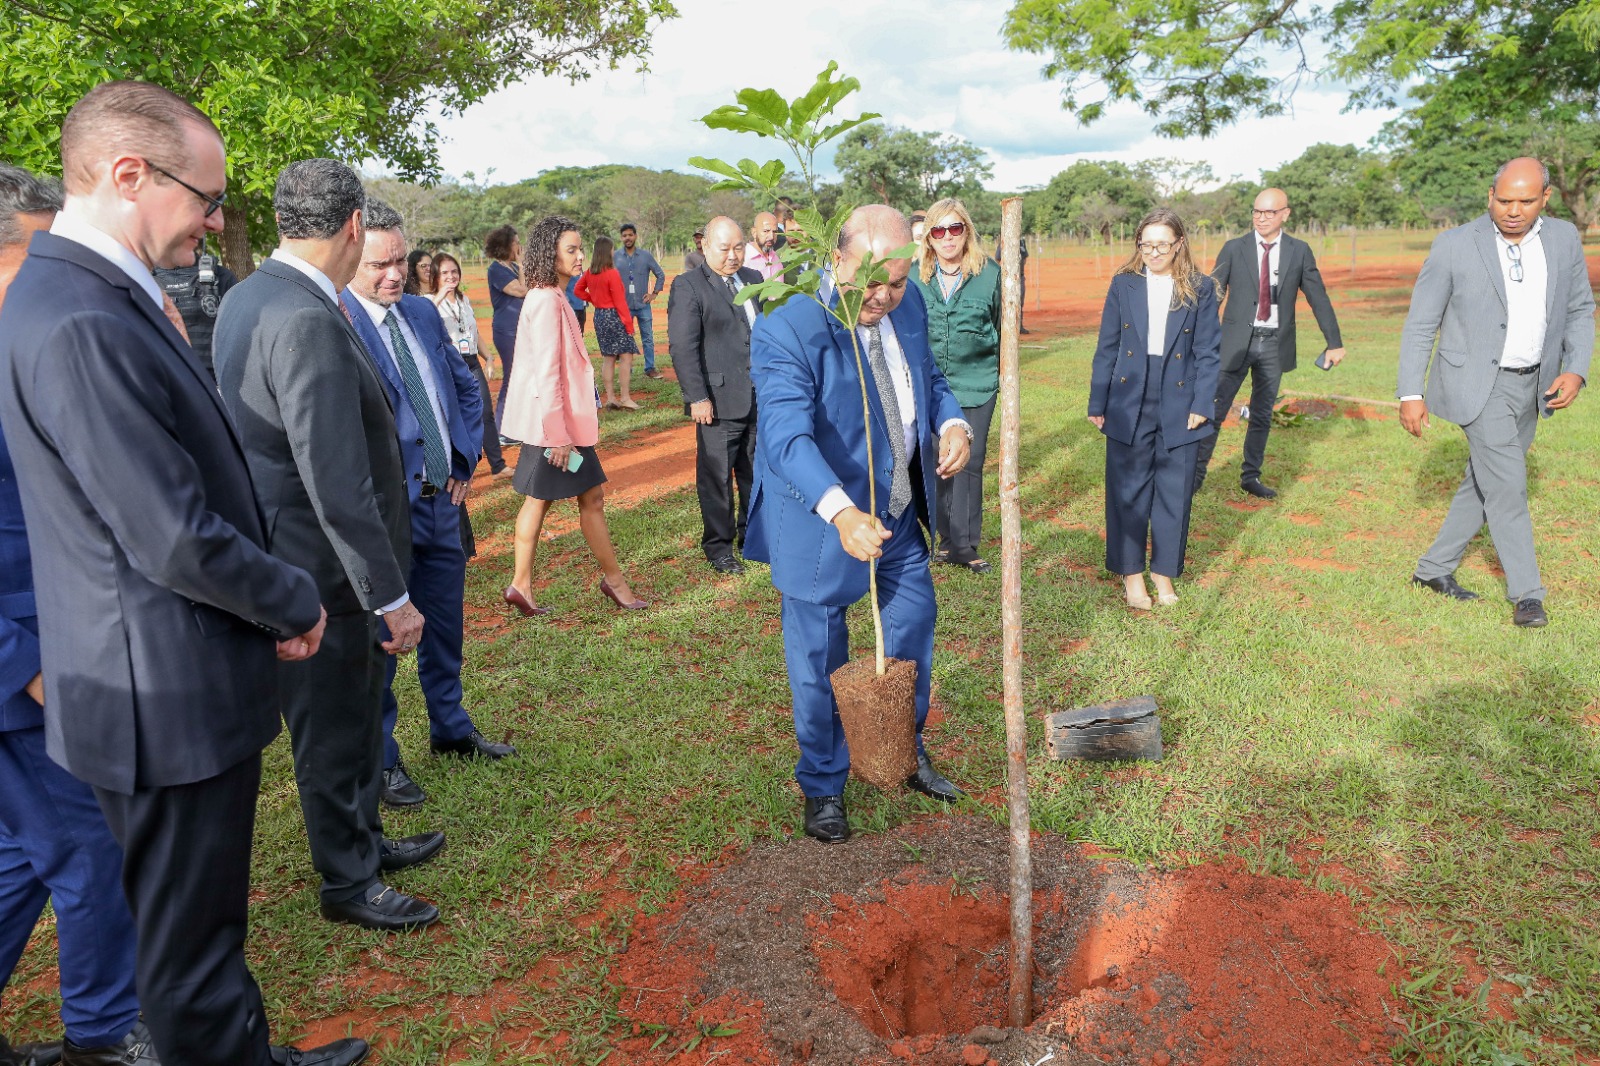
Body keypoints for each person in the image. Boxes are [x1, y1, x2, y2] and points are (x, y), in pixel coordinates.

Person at [0, 82, 361, 1066]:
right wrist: (290, 597)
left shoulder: (89, 292)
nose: (213, 216)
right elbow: (168, 533)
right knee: (189, 951)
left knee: (204, 925)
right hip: (158, 686)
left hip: (161, 674)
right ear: (128, 174)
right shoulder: (78, 315)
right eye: (203, 195)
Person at [214, 159, 442, 933]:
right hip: (324, 572)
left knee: (347, 720)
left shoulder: (251, 295)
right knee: (335, 730)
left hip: (296, 554)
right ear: (352, 228)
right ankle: (348, 881)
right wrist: (390, 594)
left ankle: (366, 842)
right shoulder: (307, 315)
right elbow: (336, 479)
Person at [744, 205, 972, 844]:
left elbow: (928, 379)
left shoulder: (910, 305)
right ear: (836, 257)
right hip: (824, 526)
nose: (884, 296)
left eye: (898, 281)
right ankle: (823, 782)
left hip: (897, 514)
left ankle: (904, 746)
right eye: (871, 280)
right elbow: (786, 440)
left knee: (912, 633)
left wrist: (952, 421)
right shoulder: (786, 327)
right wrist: (841, 511)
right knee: (820, 658)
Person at [0, 164, 145, 1066]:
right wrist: (25, 663)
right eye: (37, 249)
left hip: (40, 655)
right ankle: (106, 1034)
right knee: (90, 849)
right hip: (24, 671)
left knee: (25, 854)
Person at [339, 201, 517, 811]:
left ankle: (451, 726)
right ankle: (384, 759)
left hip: (444, 503)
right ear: (348, 257)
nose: (393, 275)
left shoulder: (418, 311)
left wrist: (465, 461)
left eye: (400, 261)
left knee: (445, 623)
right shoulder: (336, 321)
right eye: (378, 264)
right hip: (386, 514)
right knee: (387, 636)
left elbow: (463, 386)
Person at [1398, 157, 1595, 628]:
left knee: (1481, 482)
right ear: (1490, 195)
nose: (1512, 210)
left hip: (1535, 384)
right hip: (1477, 384)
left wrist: (1577, 369)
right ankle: (1527, 594)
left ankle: (1432, 570)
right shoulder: (1453, 245)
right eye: (1503, 200)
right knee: (1507, 485)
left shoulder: (1564, 238)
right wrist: (1410, 392)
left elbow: (1579, 308)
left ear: (1545, 198)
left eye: (1525, 201)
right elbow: (1421, 323)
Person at [500, 217, 649, 616]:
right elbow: (548, 372)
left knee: (553, 500)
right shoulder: (547, 300)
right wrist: (559, 437)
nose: (581, 255)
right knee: (577, 500)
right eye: (571, 249)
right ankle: (612, 583)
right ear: (550, 254)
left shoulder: (551, 295)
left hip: (556, 424)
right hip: (556, 427)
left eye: (580, 247)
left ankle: (522, 585)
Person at [1088, 208, 1220, 610]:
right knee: (1127, 489)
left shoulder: (1201, 287)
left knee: (1174, 491)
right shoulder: (1124, 284)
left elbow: (1209, 351)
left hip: (1180, 395)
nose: (1153, 252)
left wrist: (1202, 402)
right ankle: (1131, 575)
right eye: (1146, 244)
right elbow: (1107, 345)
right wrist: (1098, 400)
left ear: (1179, 242)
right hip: (1129, 395)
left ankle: (1163, 572)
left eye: (1161, 244)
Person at [1193, 187, 1345, 499]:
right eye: (1257, 212)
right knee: (1214, 409)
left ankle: (1251, 477)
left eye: (1269, 212)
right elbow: (1215, 294)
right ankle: (1194, 476)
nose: (1261, 218)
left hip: (1274, 344)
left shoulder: (1299, 251)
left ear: (1285, 214)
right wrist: (1198, 336)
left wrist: (1334, 342)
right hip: (1234, 343)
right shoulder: (1234, 248)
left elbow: (1318, 296)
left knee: (1261, 414)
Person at [667, 216, 763, 575]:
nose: (733, 255)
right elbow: (682, 347)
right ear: (704, 247)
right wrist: (697, 397)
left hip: (756, 396)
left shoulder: (753, 279)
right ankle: (719, 547)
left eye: (739, 247)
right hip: (717, 401)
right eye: (724, 248)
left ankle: (752, 538)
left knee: (754, 472)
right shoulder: (689, 286)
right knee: (717, 477)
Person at [912, 198, 1003, 575]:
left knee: (968, 463)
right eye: (938, 230)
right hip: (928, 386)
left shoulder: (992, 275)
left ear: (966, 231)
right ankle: (942, 538)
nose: (947, 237)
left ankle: (964, 544)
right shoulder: (915, 276)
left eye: (955, 229)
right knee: (933, 462)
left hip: (976, 382)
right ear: (928, 238)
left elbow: (1004, 327)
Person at [430, 252, 505, 478]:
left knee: (484, 412)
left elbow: (473, 333)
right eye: (444, 273)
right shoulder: (428, 301)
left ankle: (498, 466)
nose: (451, 276)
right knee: (453, 416)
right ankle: (459, 469)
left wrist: (488, 357)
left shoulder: (464, 300)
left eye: (454, 271)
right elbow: (425, 320)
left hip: (471, 362)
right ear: (435, 276)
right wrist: (441, 295)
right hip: (448, 365)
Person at [151, 241, 237, 378]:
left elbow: (239, 335)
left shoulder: (221, 277)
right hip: (159, 378)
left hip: (212, 380)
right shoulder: (138, 277)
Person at [574, 235, 639, 410]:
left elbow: (577, 290)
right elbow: (620, 303)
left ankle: (610, 398)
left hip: (600, 316)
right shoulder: (612, 273)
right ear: (607, 252)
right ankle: (625, 397)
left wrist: (593, 299)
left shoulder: (589, 273)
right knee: (626, 356)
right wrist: (629, 325)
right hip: (614, 316)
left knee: (608, 358)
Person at [484, 225, 527, 437]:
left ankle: (516, 424)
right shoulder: (497, 269)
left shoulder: (511, 267)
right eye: (516, 242)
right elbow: (522, 290)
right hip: (507, 330)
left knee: (523, 377)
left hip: (520, 329)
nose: (520, 246)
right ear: (505, 246)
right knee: (512, 377)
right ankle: (502, 428)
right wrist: (521, 264)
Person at [614, 222, 665, 377]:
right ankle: (627, 369)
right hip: (624, 306)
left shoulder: (646, 256)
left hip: (643, 305)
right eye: (624, 236)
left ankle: (650, 368)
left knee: (647, 338)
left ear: (635, 236)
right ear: (621, 238)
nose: (627, 238)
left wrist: (654, 293)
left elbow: (660, 274)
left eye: (630, 235)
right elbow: (606, 278)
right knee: (626, 338)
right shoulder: (615, 257)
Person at [745, 212, 782, 280]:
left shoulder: (776, 259)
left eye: (775, 232)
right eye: (766, 231)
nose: (771, 237)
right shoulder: (743, 259)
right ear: (754, 232)